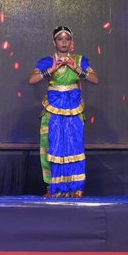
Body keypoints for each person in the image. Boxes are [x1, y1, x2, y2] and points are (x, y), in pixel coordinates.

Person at [28, 26, 98, 198]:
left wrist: (77, 69)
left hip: (74, 106)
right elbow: (32, 80)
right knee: (54, 144)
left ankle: (75, 188)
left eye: (67, 39)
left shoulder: (80, 60)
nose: (64, 42)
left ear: (71, 42)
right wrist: (50, 70)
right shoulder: (47, 61)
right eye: (60, 39)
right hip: (53, 106)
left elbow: (95, 79)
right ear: (54, 42)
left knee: (74, 144)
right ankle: (53, 188)